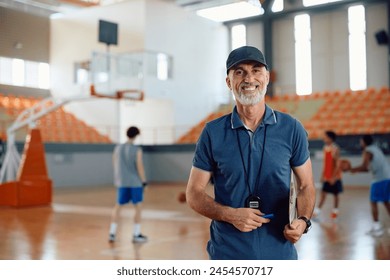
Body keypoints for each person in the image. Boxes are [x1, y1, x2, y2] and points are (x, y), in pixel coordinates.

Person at [186, 46, 316, 260]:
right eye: (239, 72)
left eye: (256, 70)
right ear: (229, 82)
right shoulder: (212, 132)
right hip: (227, 255)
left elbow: (306, 185)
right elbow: (194, 193)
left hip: (279, 254)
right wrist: (231, 215)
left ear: (267, 77)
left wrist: (303, 221)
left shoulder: (291, 128)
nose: (249, 78)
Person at [108, 126, 148, 243]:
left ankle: (112, 233)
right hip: (135, 182)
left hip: (122, 182)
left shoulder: (117, 148)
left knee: (118, 207)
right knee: (138, 207)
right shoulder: (137, 150)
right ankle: (136, 234)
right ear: (136, 135)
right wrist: (144, 181)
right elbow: (140, 167)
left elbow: (115, 163)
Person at [349, 135, 390, 237]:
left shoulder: (367, 151)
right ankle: (377, 226)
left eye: (361, 141)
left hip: (379, 179)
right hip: (387, 177)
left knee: (373, 202)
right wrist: (355, 170)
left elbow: (364, 166)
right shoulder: (376, 149)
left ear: (364, 142)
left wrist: (352, 169)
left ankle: (377, 228)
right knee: (385, 202)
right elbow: (367, 169)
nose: (360, 143)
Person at [313, 131, 343, 221]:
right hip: (327, 177)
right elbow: (326, 163)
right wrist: (323, 176)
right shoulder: (325, 148)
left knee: (336, 195)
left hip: (335, 177)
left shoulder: (335, 149)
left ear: (330, 138)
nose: (323, 139)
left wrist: (333, 177)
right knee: (323, 194)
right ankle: (317, 212)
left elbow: (338, 165)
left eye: (325, 137)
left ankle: (335, 212)